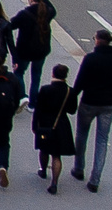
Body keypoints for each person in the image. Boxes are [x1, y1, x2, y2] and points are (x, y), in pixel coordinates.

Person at [72, 29, 112, 192]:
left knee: (82, 135)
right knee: (102, 140)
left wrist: (72, 95)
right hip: (109, 103)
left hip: (89, 101)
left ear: (97, 41)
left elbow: (80, 81)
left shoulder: (90, 58)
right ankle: (95, 180)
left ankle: (78, 168)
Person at [7, 0, 58, 106]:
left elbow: (10, 25)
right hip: (41, 50)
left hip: (24, 51)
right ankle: (33, 103)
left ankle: (23, 97)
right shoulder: (47, 12)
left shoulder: (24, 14)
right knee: (36, 76)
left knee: (19, 73)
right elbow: (53, 8)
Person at [31, 63, 78, 193]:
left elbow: (38, 109)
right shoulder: (70, 91)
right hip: (61, 124)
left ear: (53, 74)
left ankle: (43, 170)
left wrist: (35, 125)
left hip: (46, 123)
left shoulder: (46, 89)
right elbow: (72, 110)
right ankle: (54, 182)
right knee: (57, 155)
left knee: (44, 149)